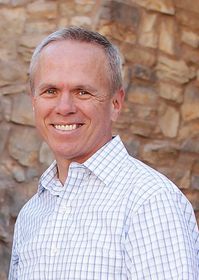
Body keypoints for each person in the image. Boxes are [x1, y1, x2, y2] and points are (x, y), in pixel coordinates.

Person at [9, 26, 199, 280]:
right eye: (50, 91)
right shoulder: (32, 213)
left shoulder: (150, 202)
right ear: (34, 101)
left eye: (82, 92)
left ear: (115, 104)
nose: (64, 107)